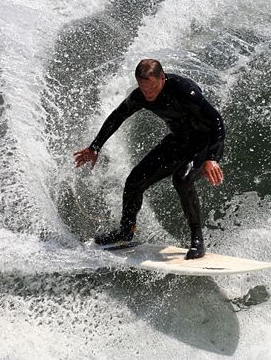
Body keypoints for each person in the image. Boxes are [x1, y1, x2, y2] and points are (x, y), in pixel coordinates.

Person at [74, 59, 225, 259]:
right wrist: (95, 147)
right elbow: (117, 116)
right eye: (144, 89)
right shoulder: (141, 96)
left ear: (162, 78)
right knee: (134, 181)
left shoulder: (185, 91)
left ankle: (197, 240)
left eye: (152, 88)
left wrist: (211, 158)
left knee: (182, 179)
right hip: (178, 142)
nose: (149, 95)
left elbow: (217, 122)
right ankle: (126, 232)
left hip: (205, 144)